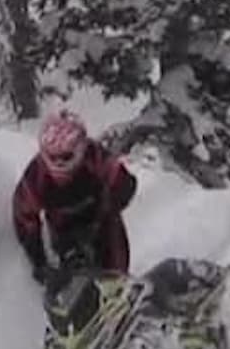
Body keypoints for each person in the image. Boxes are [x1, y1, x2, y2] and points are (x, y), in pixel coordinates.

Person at [12, 109, 138, 290]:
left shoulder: (95, 156)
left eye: (66, 157)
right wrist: (39, 261)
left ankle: (120, 287)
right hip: (64, 232)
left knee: (114, 264)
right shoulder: (35, 177)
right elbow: (24, 216)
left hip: (101, 220)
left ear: (80, 149)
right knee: (73, 280)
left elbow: (125, 182)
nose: (59, 164)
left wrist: (110, 206)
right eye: (52, 157)